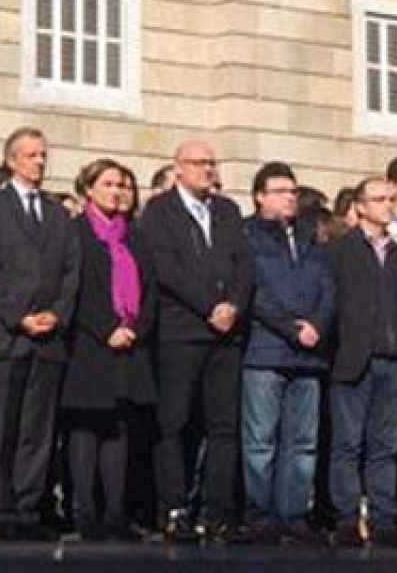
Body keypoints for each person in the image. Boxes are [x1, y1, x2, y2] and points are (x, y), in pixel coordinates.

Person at [135, 141, 251, 542]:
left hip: (225, 336)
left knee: (223, 425)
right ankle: (174, 507)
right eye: (199, 163)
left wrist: (233, 305)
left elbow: (243, 264)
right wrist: (209, 306)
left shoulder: (228, 211)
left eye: (211, 163)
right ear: (178, 168)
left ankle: (216, 511)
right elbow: (166, 267)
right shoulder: (159, 212)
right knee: (174, 423)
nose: (208, 170)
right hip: (181, 331)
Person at [0, 127, 79, 541]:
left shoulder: (56, 213)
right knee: (2, 428)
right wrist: (20, 317)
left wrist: (56, 313)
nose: (39, 162)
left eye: (43, 154)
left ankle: (28, 508)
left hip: (49, 340)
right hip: (8, 338)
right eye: (31, 155)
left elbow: (72, 270)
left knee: (38, 430)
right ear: (12, 160)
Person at [62, 158, 155, 542]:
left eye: (122, 185)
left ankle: (116, 512)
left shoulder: (134, 236)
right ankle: (85, 511)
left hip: (129, 344)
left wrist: (133, 327)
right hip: (89, 344)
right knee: (86, 429)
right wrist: (106, 329)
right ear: (88, 189)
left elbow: (151, 290)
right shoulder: (76, 233)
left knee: (119, 428)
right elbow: (75, 287)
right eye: (108, 184)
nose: (116, 191)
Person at [239, 161, 332, 544]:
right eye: (280, 191)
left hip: (308, 355)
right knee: (261, 440)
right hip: (266, 349)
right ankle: (261, 514)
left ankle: (294, 514)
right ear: (260, 196)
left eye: (293, 191)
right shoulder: (247, 235)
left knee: (303, 442)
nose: (289, 198)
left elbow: (329, 288)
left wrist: (318, 325)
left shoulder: (311, 237)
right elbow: (253, 291)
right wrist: (291, 328)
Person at [325, 176, 397, 548]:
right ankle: (346, 517)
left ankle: (383, 517)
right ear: (360, 206)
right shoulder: (341, 250)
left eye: (391, 199)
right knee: (347, 443)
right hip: (353, 358)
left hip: (391, 358)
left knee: (385, 445)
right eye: (379, 199)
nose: (387, 206)